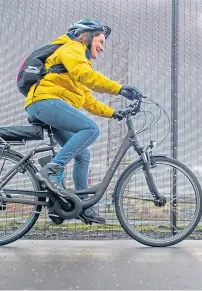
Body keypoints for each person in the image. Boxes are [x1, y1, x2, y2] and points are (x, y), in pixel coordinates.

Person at [25, 19, 143, 224]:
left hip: (49, 105)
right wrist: (119, 88)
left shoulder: (75, 63)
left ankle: (81, 206)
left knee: (83, 154)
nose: (102, 47)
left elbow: (87, 100)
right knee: (90, 129)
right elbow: (86, 75)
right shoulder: (72, 48)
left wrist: (113, 112)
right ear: (87, 36)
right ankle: (52, 171)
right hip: (45, 101)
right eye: (101, 40)